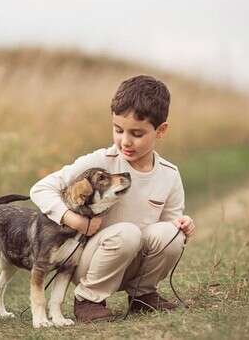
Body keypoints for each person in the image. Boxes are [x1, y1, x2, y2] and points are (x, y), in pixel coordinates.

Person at [29, 75, 196, 323]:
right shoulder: (101, 161)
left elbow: (169, 222)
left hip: (136, 260)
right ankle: (88, 298)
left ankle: (143, 295)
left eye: (137, 134)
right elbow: (40, 189)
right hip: (93, 260)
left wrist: (182, 224)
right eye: (118, 130)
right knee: (127, 233)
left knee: (172, 234)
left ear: (160, 131)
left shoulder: (169, 174)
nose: (125, 141)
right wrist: (74, 220)